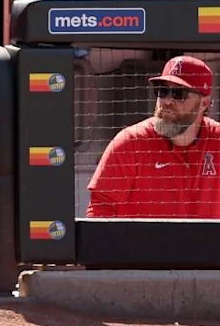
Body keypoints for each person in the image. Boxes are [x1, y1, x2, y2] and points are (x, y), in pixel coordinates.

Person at [87, 56, 220, 219]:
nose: (167, 101)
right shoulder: (130, 142)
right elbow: (101, 210)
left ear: (204, 103)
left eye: (179, 93)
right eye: (162, 91)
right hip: (143, 245)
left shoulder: (217, 140)